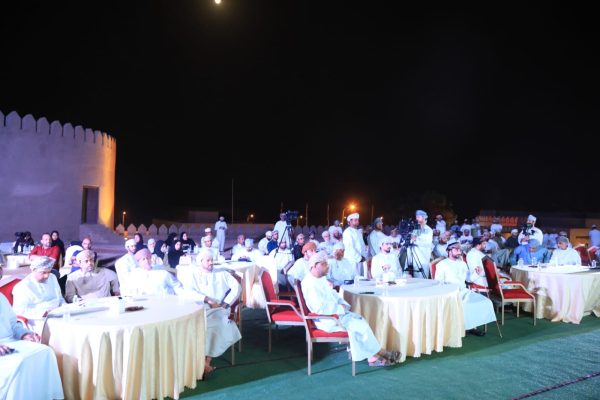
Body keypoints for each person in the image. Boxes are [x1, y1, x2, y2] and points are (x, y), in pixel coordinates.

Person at [301, 251, 400, 366]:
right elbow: (319, 308)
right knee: (360, 326)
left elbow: (333, 295)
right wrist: (340, 308)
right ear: (314, 265)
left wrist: (342, 304)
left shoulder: (320, 279)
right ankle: (380, 355)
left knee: (361, 320)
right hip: (327, 319)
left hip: (335, 314)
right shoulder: (309, 284)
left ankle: (376, 355)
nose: (328, 266)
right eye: (324, 264)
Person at [0, 266, 64, 400]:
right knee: (21, 362)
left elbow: (13, 324)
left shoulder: (1, 297)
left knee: (46, 351)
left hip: (11, 342)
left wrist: (24, 334)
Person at [177, 248, 242, 376]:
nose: (211, 263)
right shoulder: (193, 274)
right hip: (199, 309)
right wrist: (206, 299)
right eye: (208, 260)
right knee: (194, 327)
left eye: (212, 260)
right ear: (200, 261)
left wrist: (226, 303)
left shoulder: (222, 273)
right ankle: (201, 363)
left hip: (219, 309)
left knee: (217, 326)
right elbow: (187, 292)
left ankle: (206, 362)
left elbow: (237, 287)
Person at [434, 240, 497, 336]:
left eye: (460, 249)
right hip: (450, 293)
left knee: (485, 301)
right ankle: (463, 328)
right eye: (456, 249)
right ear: (449, 250)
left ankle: (472, 326)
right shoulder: (442, 264)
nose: (459, 251)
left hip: (464, 291)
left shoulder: (462, 264)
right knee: (464, 305)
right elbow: (438, 283)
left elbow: (469, 279)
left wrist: (477, 273)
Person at [11, 257, 64, 335]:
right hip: (38, 321)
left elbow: (60, 298)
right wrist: (43, 313)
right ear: (33, 270)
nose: (47, 276)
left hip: (59, 313)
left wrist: (66, 307)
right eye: (43, 272)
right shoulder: (23, 287)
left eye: (49, 272)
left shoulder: (52, 277)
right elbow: (19, 311)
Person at [404, 210, 433, 278]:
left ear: (424, 218)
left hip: (422, 258)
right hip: (412, 257)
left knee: (421, 278)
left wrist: (416, 240)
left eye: (418, 217)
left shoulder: (428, 230)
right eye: (416, 217)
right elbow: (411, 240)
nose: (416, 219)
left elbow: (427, 243)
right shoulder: (416, 229)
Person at [342, 213, 367, 278]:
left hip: (360, 259)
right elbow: (349, 247)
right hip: (352, 260)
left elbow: (361, 245)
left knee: (360, 278)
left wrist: (363, 256)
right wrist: (359, 257)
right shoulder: (347, 232)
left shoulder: (358, 232)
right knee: (353, 279)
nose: (357, 221)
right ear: (349, 222)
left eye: (358, 220)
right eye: (355, 220)